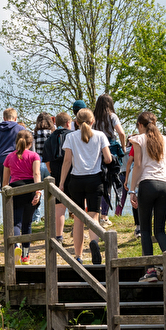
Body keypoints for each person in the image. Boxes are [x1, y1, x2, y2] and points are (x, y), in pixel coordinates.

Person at [127, 111, 166, 269]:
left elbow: (137, 165)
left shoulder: (138, 139)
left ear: (140, 125)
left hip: (147, 184)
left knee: (145, 230)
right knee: (160, 230)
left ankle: (150, 269)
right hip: (164, 186)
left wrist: (132, 190)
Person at [58, 108, 113, 265]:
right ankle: (94, 242)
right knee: (94, 216)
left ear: (76, 122)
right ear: (93, 121)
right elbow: (108, 159)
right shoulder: (100, 136)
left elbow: (67, 161)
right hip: (95, 179)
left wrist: (61, 183)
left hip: (76, 180)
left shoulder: (70, 137)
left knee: (78, 219)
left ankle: (78, 256)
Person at [2, 131, 42, 263]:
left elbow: (5, 181)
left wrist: (5, 192)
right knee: (27, 223)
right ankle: (25, 255)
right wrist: (38, 192)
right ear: (31, 144)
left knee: (16, 222)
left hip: (15, 190)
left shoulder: (9, 157)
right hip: (30, 188)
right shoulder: (34, 156)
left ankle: (16, 246)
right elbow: (36, 173)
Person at [94, 95, 130, 217]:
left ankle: (98, 212)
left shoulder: (94, 118)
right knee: (109, 180)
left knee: (99, 181)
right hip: (110, 149)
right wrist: (123, 147)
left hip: (96, 149)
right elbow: (121, 132)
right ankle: (104, 215)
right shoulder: (112, 116)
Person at [46, 111, 74, 234]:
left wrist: (51, 171)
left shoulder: (50, 138)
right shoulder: (73, 136)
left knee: (59, 207)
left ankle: (59, 236)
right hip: (73, 173)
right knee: (78, 205)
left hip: (56, 174)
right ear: (68, 123)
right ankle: (78, 230)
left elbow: (46, 160)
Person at [0, 108, 26, 185]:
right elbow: (26, 145)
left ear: (4, 118)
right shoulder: (20, 129)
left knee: (4, 187)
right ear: (15, 118)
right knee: (16, 186)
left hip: (0, 161)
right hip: (15, 160)